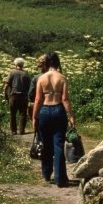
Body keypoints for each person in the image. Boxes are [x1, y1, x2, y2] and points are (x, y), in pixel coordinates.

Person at [32, 52, 76, 188]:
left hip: (44, 110)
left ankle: (46, 173)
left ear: (47, 63)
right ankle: (60, 178)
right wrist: (71, 116)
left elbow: (38, 99)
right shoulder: (62, 78)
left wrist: (34, 116)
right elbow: (65, 99)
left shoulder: (42, 78)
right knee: (58, 144)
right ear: (57, 62)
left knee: (45, 143)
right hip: (58, 110)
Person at [4, 57, 31, 135]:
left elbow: (6, 85)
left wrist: (5, 93)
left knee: (12, 114)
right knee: (23, 114)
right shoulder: (26, 74)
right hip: (23, 96)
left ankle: (14, 131)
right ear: (23, 65)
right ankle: (22, 130)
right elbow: (29, 87)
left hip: (14, 95)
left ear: (15, 64)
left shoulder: (12, 72)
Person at [27, 54, 48, 120]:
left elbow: (31, 92)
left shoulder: (36, 77)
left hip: (39, 103)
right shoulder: (57, 76)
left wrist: (30, 99)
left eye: (38, 62)